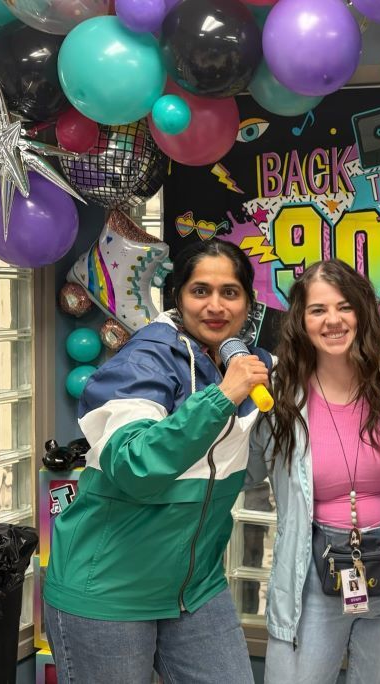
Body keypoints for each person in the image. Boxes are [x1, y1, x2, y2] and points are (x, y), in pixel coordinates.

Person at [43, 240, 270, 683]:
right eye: (200, 291)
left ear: (248, 302)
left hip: (195, 588)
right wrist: (222, 398)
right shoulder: (145, 361)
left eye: (230, 292)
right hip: (109, 592)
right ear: (176, 298)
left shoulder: (241, 357)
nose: (215, 306)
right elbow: (133, 466)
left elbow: (328, 333)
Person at [247, 259, 380, 684]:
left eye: (345, 307)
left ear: (363, 312)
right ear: (300, 320)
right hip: (310, 578)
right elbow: (242, 472)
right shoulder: (277, 394)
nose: (332, 320)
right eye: (318, 310)